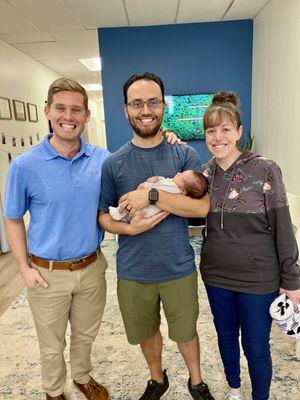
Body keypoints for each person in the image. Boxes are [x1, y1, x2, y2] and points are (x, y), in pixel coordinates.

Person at [3, 78, 169, 400]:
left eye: (76, 109)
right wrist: (23, 268)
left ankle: (81, 376)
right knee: (52, 344)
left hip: (92, 267)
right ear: (47, 112)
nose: (69, 115)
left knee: (85, 334)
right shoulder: (25, 166)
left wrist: (167, 140)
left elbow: (121, 200)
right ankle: (54, 391)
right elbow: (12, 219)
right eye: (61, 108)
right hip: (47, 272)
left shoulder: (102, 159)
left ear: (86, 115)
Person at [99, 72, 214, 400]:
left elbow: (201, 208)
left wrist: (151, 197)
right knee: (146, 332)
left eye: (152, 102)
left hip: (178, 267)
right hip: (134, 272)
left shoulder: (184, 157)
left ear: (163, 106)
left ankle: (196, 381)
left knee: (186, 331)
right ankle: (156, 379)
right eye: (137, 103)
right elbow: (103, 217)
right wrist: (129, 227)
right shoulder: (114, 163)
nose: (145, 109)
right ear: (126, 110)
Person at [200, 92, 300, 400]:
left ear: (239, 132)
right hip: (216, 276)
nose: (218, 137)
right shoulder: (206, 174)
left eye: (225, 129)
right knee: (226, 337)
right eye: (211, 130)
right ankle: (234, 389)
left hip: (259, 279)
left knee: (256, 346)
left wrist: (292, 280)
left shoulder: (265, 169)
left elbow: (283, 227)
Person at [109, 170, 208, 221]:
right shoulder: (174, 184)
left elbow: (160, 187)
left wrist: (147, 186)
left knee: (134, 210)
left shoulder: (174, 188)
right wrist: (157, 178)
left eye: (180, 176)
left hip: (149, 210)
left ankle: (119, 214)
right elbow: (163, 181)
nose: (178, 173)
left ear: (183, 191)